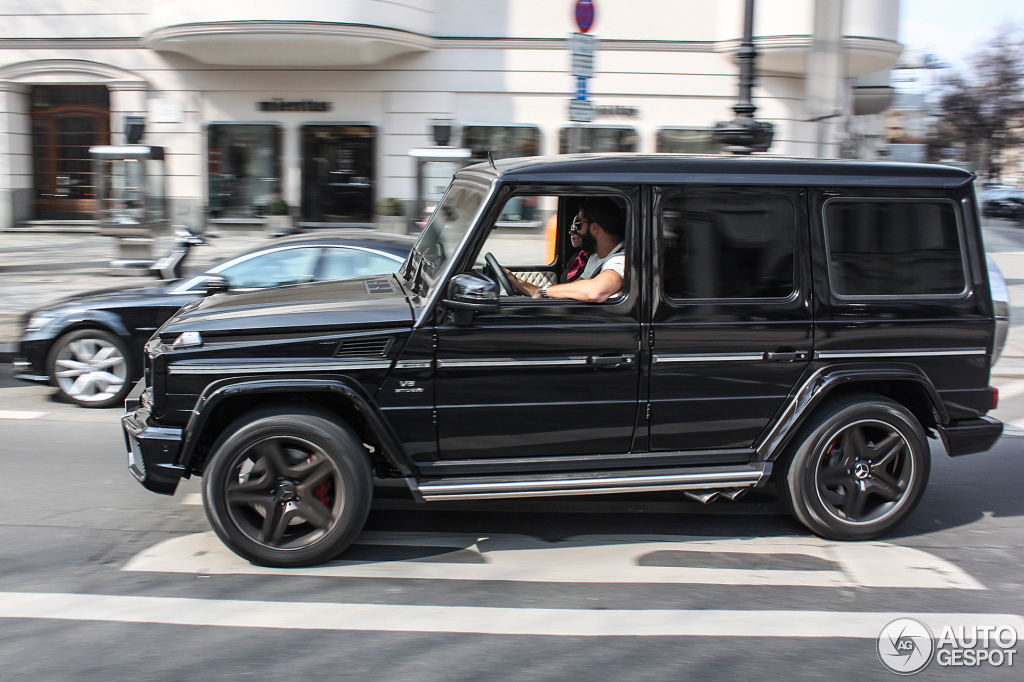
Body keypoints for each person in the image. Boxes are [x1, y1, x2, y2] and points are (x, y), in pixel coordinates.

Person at [505, 197, 625, 303]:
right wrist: (517, 283)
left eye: (578, 225)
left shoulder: (620, 260)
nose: (576, 232)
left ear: (594, 228)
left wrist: (546, 290)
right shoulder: (596, 257)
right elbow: (571, 292)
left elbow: (596, 291)